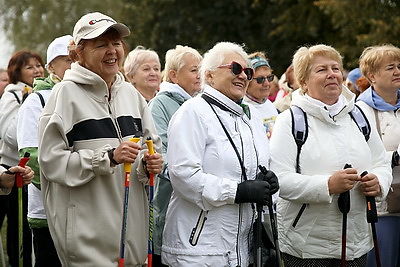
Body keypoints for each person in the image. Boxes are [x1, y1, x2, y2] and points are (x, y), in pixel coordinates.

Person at [37, 12, 163, 266]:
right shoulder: (64, 95)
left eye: (116, 43)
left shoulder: (130, 93)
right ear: (78, 53)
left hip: (133, 249)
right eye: (101, 44)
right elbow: (51, 163)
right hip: (88, 248)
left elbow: (152, 146)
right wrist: (106, 158)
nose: (112, 51)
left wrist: (149, 164)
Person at [269, 44, 392, 266]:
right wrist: (327, 185)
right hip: (307, 247)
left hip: (357, 242)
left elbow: (381, 162)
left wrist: (379, 182)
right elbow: (280, 180)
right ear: (304, 81)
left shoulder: (359, 116)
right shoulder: (290, 121)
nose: (332, 74)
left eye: (335, 68)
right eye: (321, 69)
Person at [161, 41, 279, 267]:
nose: (243, 76)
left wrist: (268, 182)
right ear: (210, 75)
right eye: (235, 68)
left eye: (248, 71)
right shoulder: (192, 112)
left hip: (241, 251)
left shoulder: (251, 116)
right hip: (198, 251)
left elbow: (256, 165)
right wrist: (236, 191)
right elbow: (183, 176)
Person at [17, 34, 73, 267]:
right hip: (48, 213)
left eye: (77, 59)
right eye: (67, 60)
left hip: (85, 213)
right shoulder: (36, 100)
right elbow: (31, 158)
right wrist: (74, 184)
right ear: (50, 67)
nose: (74, 65)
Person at [148, 44, 202, 266]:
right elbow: (160, 151)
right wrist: (189, 177)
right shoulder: (159, 104)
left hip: (197, 202)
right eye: (193, 70)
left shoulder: (200, 103)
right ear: (173, 75)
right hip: (169, 199)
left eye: (201, 69)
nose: (200, 75)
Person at [357, 44, 400, 267]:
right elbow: (360, 156)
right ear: (372, 76)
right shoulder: (359, 110)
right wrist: (395, 157)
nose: (398, 71)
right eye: (390, 67)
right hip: (383, 210)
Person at [0, 50, 44, 267]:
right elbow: (9, 135)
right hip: (12, 172)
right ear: (17, 72)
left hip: (34, 171)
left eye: (38, 65)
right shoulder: (13, 95)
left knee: (29, 230)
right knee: (17, 229)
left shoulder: (45, 93)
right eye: (30, 67)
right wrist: (27, 107)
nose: (37, 70)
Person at [243, 52, 278, 139]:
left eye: (270, 78)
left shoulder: (271, 106)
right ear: (247, 81)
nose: (267, 84)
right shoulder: (241, 110)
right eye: (260, 79)